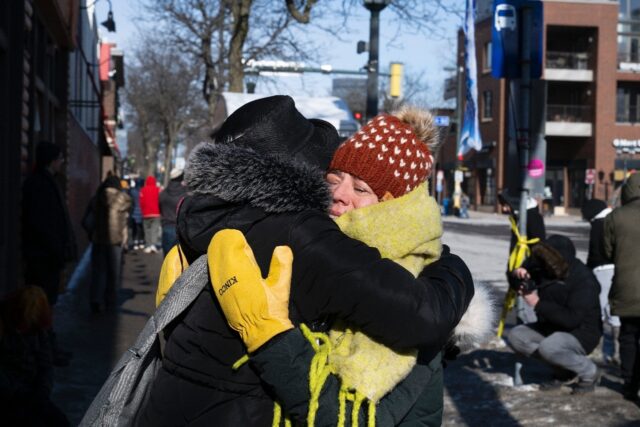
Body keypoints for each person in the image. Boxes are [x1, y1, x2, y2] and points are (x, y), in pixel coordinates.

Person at [139, 95, 475, 426]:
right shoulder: (304, 235)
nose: (338, 194)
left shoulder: (215, 220)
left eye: (361, 189)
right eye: (332, 179)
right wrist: (451, 266)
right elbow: (425, 315)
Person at [507, 235, 602, 394]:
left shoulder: (584, 279)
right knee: (517, 336)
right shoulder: (545, 267)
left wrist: (537, 303)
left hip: (581, 332)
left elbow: (572, 319)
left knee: (549, 347)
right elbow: (518, 280)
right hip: (551, 326)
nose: (542, 266)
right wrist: (517, 274)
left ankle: (589, 372)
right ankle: (564, 371)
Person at [21, 141, 76, 366]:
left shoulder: (44, 182)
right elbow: (42, 224)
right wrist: (56, 251)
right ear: (52, 160)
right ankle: (42, 352)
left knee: (45, 304)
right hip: (43, 258)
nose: (62, 162)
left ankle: (46, 350)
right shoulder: (40, 184)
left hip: (45, 257)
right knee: (41, 304)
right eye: (60, 158)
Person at [0, 286, 70, 426]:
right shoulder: (5, 328)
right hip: (9, 396)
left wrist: (41, 392)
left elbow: (45, 364)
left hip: (30, 394)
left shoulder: (37, 329)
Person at [604, 172, 640, 402]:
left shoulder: (615, 217)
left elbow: (608, 251)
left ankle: (629, 382)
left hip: (626, 287)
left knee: (628, 336)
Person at [582, 198, 620, 366]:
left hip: (602, 270)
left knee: (600, 309)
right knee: (614, 311)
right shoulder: (614, 220)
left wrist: (587, 270)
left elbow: (594, 252)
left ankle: (602, 350)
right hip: (617, 268)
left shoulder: (598, 224)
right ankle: (616, 352)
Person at [89, 175, 132, 313]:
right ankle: (110, 302)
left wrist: (91, 233)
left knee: (98, 272)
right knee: (113, 273)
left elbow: (86, 220)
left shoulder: (97, 198)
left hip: (98, 239)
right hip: (116, 241)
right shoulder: (122, 199)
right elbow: (126, 222)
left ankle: (95, 299)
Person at [159, 168, 188, 255]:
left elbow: (160, 208)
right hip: (181, 229)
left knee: (167, 259)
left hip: (167, 226)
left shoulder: (163, 193)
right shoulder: (185, 194)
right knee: (180, 260)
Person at [139, 176, 161, 253]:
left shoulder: (143, 190)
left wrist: (142, 211)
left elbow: (141, 202)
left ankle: (148, 245)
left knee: (147, 230)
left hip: (146, 213)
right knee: (154, 230)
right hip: (156, 213)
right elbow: (160, 201)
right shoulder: (158, 190)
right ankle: (153, 245)